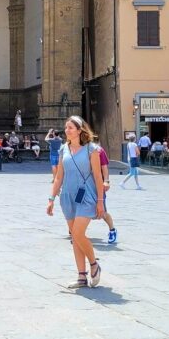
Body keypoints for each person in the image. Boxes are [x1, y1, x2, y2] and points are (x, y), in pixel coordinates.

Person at [47, 116, 105, 289]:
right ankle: (81, 276)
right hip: (68, 196)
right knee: (74, 237)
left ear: (80, 130)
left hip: (86, 195)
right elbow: (58, 177)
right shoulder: (63, 149)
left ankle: (94, 264)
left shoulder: (91, 150)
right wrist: (51, 199)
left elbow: (97, 176)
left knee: (78, 233)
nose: (67, 130)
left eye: (70, 127)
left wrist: (100, 200)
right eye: (66, 128)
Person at [95, 143, 117, 244]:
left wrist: (106, 180)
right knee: (78, 208)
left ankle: (112, 229)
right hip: (82, 186)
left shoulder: (98, 150)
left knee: (102, 212)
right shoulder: (75, 149)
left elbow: (104, 167)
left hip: (97, 185)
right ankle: (76, 233)